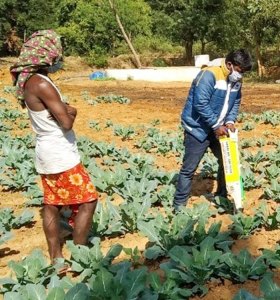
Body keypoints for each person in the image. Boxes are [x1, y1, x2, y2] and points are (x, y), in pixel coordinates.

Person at [10, 30, 98, 265]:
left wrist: (62, 108)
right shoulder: (41, 83)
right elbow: (66, 122)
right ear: (47, 55)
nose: (59, 57)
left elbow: (56, 110)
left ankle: (56, 257)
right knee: (88, 200)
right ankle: (80, 254)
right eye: (57, 52)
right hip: (60, 154)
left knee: (53, 203)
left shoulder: (31, 80)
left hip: (46, 152)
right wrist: (72, 111)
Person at [174, 49, 252, 210]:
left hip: (219, 128)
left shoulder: (236, 79)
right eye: (239, 70)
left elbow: (235, 101)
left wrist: (230, 120)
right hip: (197, 128)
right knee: (189, 169)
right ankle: (178, 206)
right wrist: (216, 125)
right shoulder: (209, 75)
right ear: (230, 64)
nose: (241, 75)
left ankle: (221, 197)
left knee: (227, 163)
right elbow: (200, 103)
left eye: (243, 72)